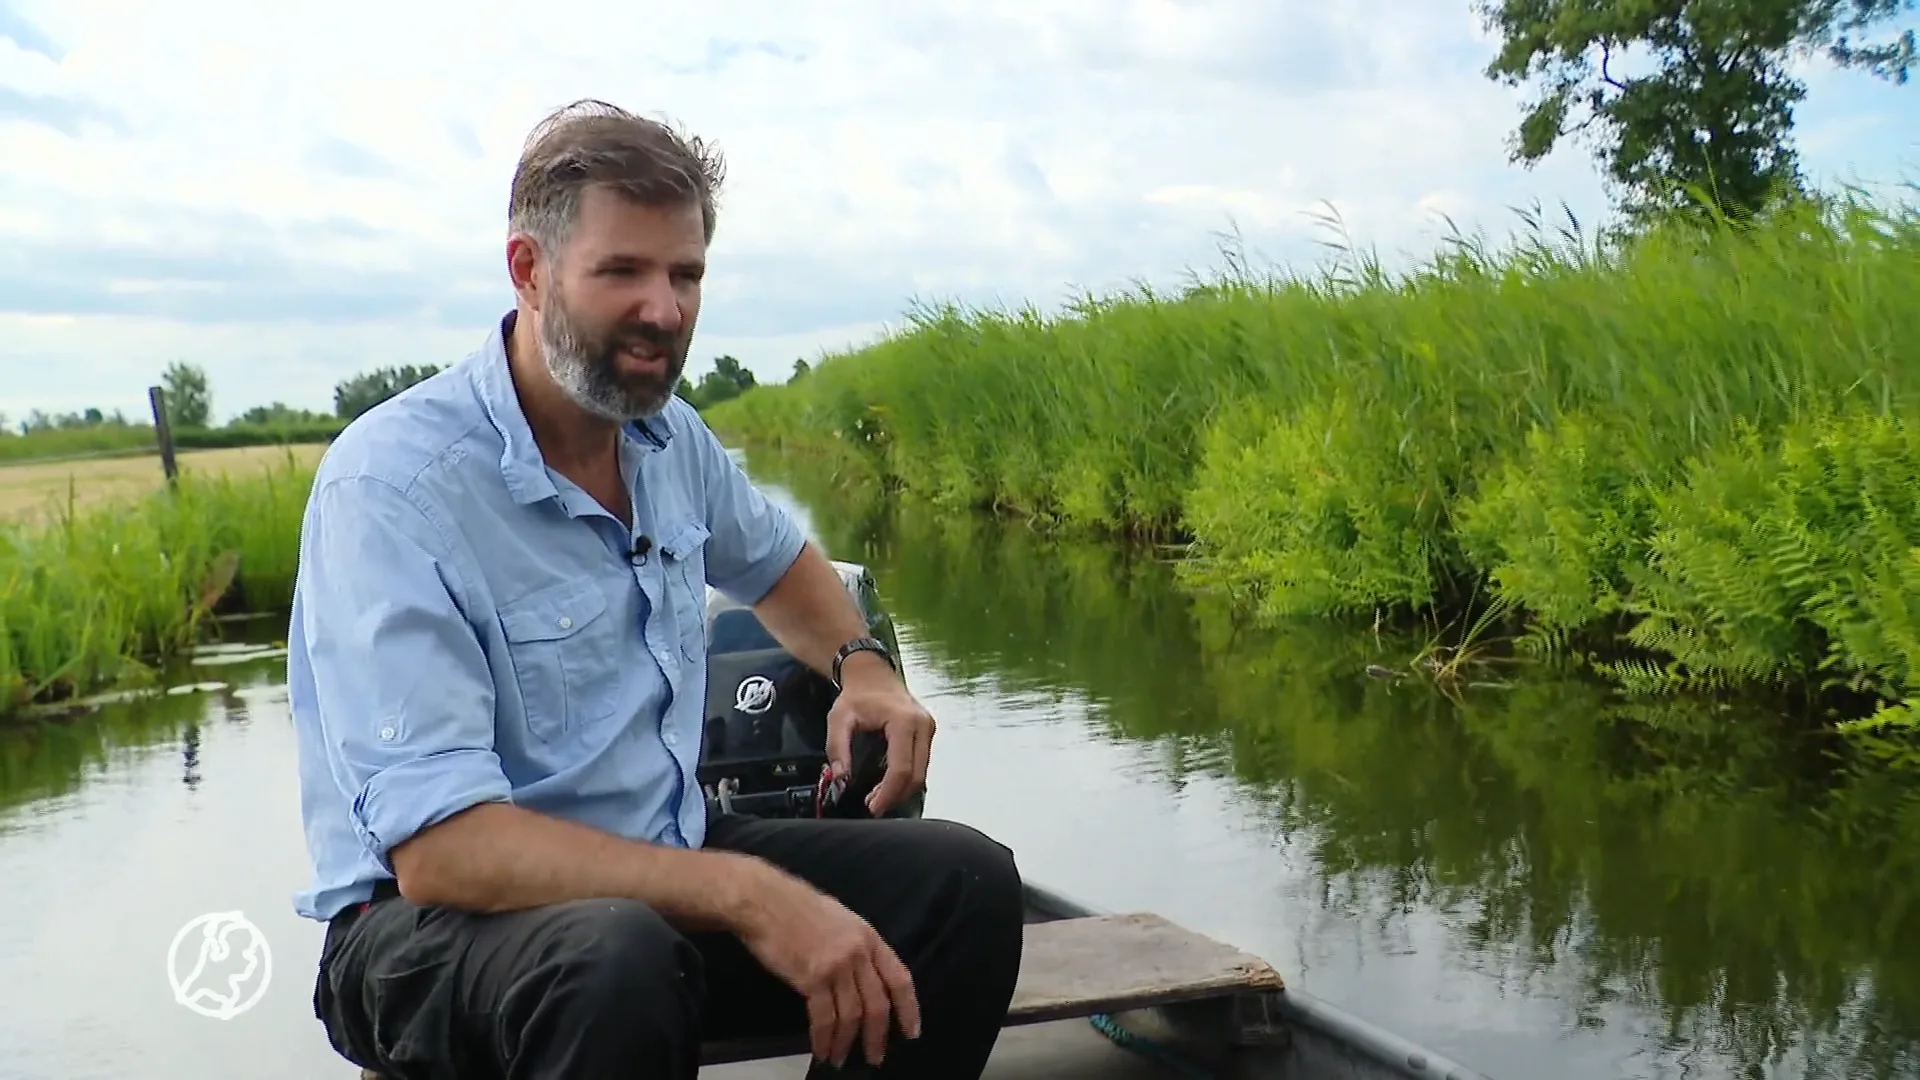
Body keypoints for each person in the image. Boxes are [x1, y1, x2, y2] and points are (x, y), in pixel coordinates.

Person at [285, 98, 1026, 1080]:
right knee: (613, 959)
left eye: (686, 275)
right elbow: (442, 852)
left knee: (965, 883)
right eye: (623, 271)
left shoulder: (670, 440)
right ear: (529, 271)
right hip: (426, 934)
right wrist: (753, 897)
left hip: (657, 875)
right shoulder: (391, 487)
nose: (665, 310)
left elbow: (781, 567)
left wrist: (863, 668)